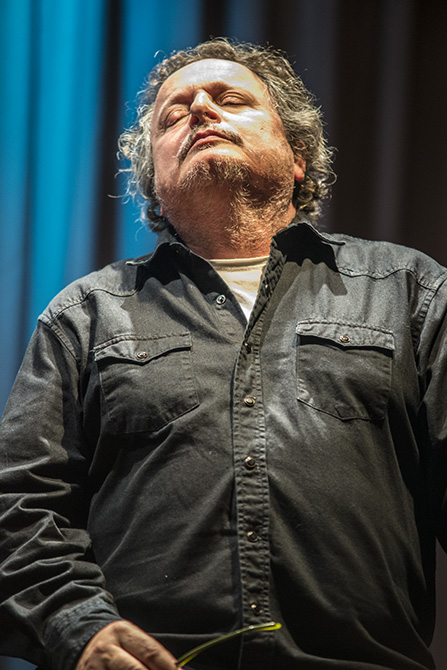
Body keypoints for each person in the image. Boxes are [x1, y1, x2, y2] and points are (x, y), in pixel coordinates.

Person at [0, 37, 446, 670]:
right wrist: (79, 629)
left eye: (230, 99)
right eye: (173, 115)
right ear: (154, 182)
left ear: (297, 156)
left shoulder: (410, 291)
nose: (201, 110)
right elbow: (20, 508)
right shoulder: (85, 314)